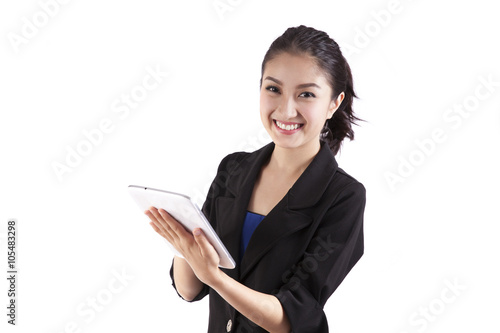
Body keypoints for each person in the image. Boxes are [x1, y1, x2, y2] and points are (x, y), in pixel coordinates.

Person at [145, 25, 366, 333]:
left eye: (306, 94)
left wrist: (215, 277)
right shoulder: (233, 169)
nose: (286, 110)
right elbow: (190, 289)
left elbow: (292, 318)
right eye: (273, 89)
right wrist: (184, 245)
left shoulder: (344, 197)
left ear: (334, 102)